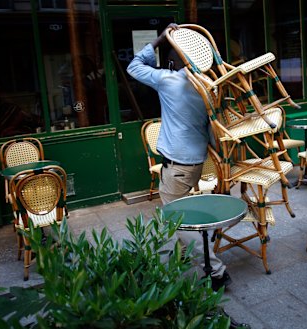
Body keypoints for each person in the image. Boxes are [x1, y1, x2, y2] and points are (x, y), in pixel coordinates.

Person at [126, 24, 232, 292]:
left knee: (178, 220)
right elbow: (212, 131)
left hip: (178, 167)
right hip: (194, 163)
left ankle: (216, 271)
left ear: (179, 58)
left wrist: (161, 38)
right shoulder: (209, 88)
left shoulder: (168, 80)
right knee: (183, 214)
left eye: (171, 54)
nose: (168, 59)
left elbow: (134, 66)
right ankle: (183, 260)